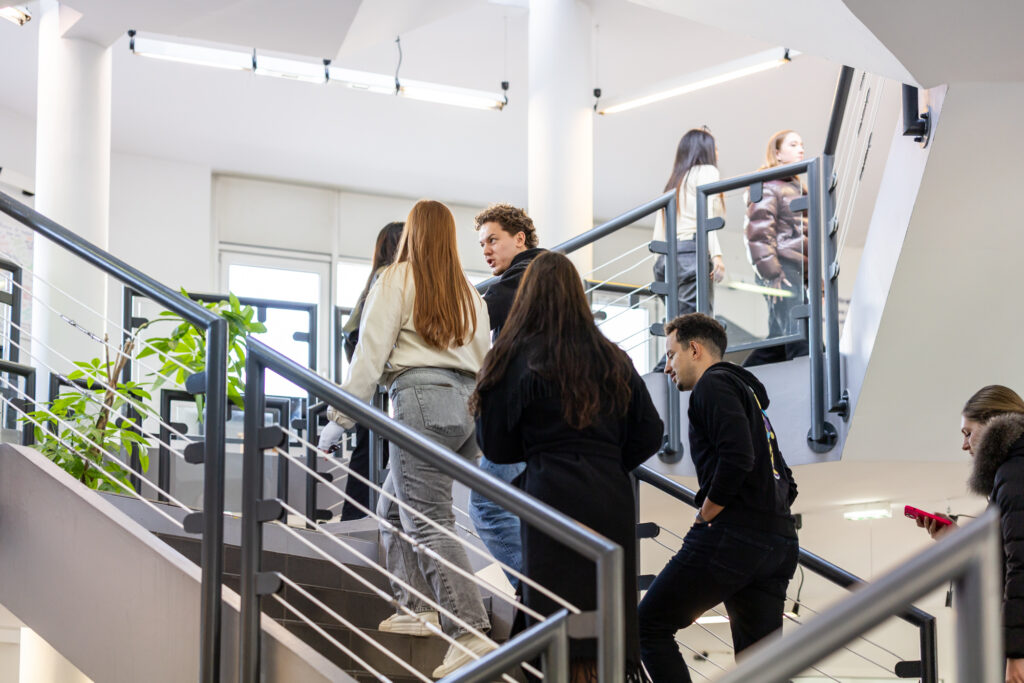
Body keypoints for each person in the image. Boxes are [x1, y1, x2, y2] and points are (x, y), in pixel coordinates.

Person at [471, 251, 664, 682]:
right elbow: (651, 432)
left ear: (528, 299)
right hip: (610, 499)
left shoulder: (515, 355)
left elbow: (494, 444)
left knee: (555, 619)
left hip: (550, 496)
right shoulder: (613, 357)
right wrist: (607, 460)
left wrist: (538, 450)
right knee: (605, 620)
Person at [325, 200, 494, 678]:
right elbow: (485, 359)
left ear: (413, 234)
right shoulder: (470, 292)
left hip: (421, 399)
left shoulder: (396, 278)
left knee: (427, 520)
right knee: (393, 508)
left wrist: (341, 418)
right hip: (469, 409)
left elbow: (370, 353)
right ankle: (417, 607)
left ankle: (469, 631)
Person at [638, 312, 799, 683]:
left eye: (671, 355)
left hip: (733, 537)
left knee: (647, 626)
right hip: (778, 541)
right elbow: (787, 481)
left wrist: (706, 515)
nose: (667, 367)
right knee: (762, 666)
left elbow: (738, 457)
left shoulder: (712, 386)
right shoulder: (748, 397)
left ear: (694, 349)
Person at [916, 385, 1024, 683]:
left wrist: (1017, 653)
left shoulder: (1014, 473)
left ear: (992, 426)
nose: (964, 445)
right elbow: (1003, 558)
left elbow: (1020, 568)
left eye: (968, 433)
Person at [470, 203, 545, 590]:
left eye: (493, 240)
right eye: (482, 244)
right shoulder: (544, 275)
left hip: (528, 415)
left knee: (487, 505)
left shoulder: (526, 275)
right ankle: (545, 599)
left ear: (520, 238)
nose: (486, 250)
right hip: (542, 414)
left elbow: (476, 315)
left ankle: (538, 597)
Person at [323, 221, 403, 521]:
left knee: (370, 448)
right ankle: (358, 520)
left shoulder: (379, 279)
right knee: (375, 450)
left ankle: (355, 518)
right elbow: (371, 341)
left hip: (371, 380)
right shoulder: (390, 279)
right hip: (378, 376)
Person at [652, 128, 726, 372]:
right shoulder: (708, 171)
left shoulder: (675, 181)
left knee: (680, 324)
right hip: (692, 253)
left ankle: (666, 369)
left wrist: (660, 263)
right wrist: (716, 254)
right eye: (715, 147)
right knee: (694, 326)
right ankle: (663, 370)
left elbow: (660, 228)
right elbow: (707, 217)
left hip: (667, 259)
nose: (717, 152)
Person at [742, 129, 810, 367]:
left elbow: (802, 237)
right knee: (799, 334)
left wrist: (812, 279)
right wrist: (772, 273)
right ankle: (811, 374)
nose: (801, 149)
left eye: (801, 144)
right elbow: (759, 231)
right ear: (778, 153)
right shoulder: (770, 185)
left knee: (778, 340)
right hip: (781, 269)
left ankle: (742, 377)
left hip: (792, 269)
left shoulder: (795, 187)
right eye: (793, 145)